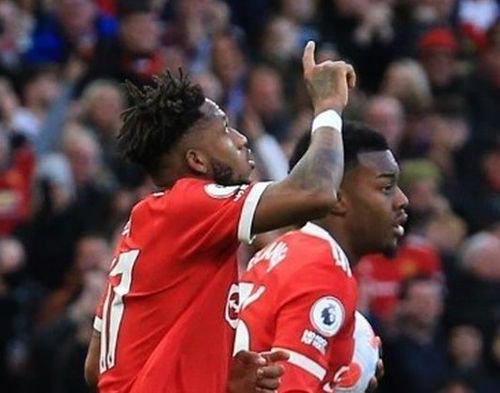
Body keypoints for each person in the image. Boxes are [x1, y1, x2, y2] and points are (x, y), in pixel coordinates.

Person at [86, 41, 357, 393]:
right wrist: (328, 107)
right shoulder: (190, 206)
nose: (243, 140)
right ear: (197, 161)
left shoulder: (149, 223)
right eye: (227, 131)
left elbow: (97, 367)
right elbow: (316, 191)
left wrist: (216, 379)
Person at [234, 123, 408, 392]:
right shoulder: (323, 266)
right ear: (336, 198)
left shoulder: (280, 252)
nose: (402, 200)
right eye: (386, 187)